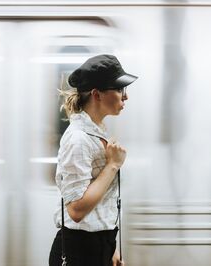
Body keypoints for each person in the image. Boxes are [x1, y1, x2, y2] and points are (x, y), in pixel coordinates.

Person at [49, 54, 138, 266]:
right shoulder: (78, 139)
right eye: (119, 90)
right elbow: (77, 210)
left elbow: (102, 201)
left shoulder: (98, 133)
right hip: (79, 252)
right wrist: (113, 165)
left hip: (99, 247)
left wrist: (111, 249)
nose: (125, 97)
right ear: (97, 94)